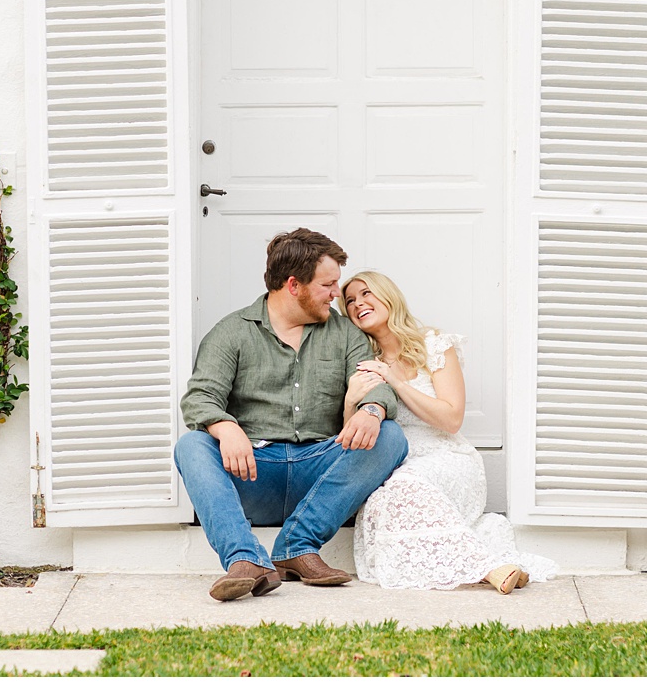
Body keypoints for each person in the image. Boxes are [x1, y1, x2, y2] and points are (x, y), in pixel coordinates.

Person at [175, 228, 409, 602]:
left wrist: (371, 410)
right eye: (328, 285)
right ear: (293, 285)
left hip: (319, 472)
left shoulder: (345, 334)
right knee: (192, 445)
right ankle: (246, 560)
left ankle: (297, 546)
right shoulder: (232, 332)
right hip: (253, 470)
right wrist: (225, 427)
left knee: (391, 436)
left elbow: (375, 382)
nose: (337, 294)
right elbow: (200, 398)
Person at [342, 270, 559, 593]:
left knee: (404, 485)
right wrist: (351, 399)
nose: (358, 304)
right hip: (392, 465)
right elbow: (351, 434)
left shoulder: (433, 345)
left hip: (446, 458)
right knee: (382, 500)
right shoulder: (360, 360)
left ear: (388, 295)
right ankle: (491, 566)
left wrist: (395, 381)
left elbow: (451, 418)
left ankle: (488, 568)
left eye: (366, 294)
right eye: (349, 301)